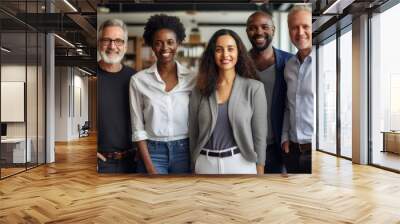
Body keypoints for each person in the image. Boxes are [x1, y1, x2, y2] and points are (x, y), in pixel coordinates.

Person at [189, 29, 267, 175]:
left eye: (230, 49)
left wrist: (260, 169)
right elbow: (193, 132)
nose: (225, 55)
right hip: (205, 165)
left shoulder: (254, 88)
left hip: (241, 163)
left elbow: (260, 136)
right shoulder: (199, 90)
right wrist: (194, 164)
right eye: (219, 50)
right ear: (212, 55)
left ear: (239, 52)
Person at [129, 14, 196, 174]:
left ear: (178, 43)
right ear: (152, 46)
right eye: (158, 43)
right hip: (152, 151)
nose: (165, 48)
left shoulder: (192, 79)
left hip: (185, 150)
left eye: (170, 42)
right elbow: (137, 127)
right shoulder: (138, 81)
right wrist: (150, 167)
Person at [246, 11, 293, 173]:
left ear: (273, 30)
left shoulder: (290, 62)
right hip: (245, 146)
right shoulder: (238, 65)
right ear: (247, 32)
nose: (259, 32)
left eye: (264, 27)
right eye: (253, 28)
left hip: (278, 147)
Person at [97, 19, 136, 173]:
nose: (112, 46)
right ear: (99, 43)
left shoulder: (136, 79)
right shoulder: (89, 76)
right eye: (107, 40)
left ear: (125, 46)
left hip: (133, 162)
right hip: (101, 164)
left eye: (118, 41)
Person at [281, 5, 314, 173]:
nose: (300, 32)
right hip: (292, 151)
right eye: (295, 27)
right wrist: (285, 138)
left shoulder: (325, 60)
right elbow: (288, 106)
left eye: (306, 26)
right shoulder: (289, 66)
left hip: (317, 151)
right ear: (289, 31)